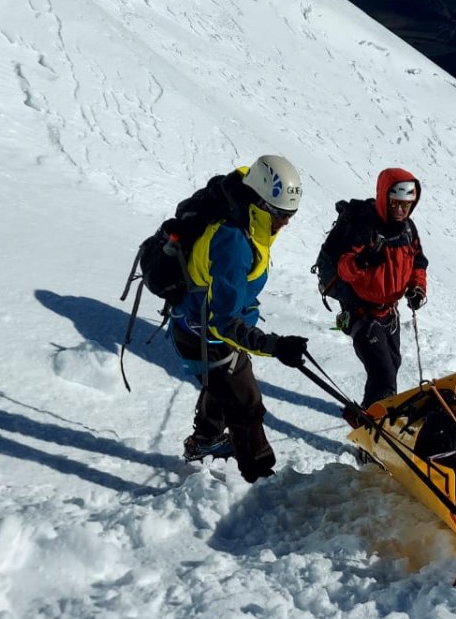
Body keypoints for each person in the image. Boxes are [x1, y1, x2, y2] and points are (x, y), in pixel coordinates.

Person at [168, 155, 309, 483]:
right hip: (205, 331)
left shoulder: (246, 212)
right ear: (262, 203)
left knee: (224, 381)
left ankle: (205, 440)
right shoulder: (234, 241)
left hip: (199, 321)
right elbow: (224, 323)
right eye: (281, 215)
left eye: (291, 216)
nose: (285, 223)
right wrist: (274, 346)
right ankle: (262, 484)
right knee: (246, 403)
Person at [331, 168, 428, 409]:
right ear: (385, 197)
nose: (400, 210)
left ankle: (371, 416)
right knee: (383, 373)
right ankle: (373, 427)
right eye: (395, 203)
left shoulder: (407, 229)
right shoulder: (366, 228)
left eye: (406, 204)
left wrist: (417, 288)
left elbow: (418, 262)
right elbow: (343, 268)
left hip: (388, 312)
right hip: (360, 311)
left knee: (391, 365)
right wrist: (361, 262)